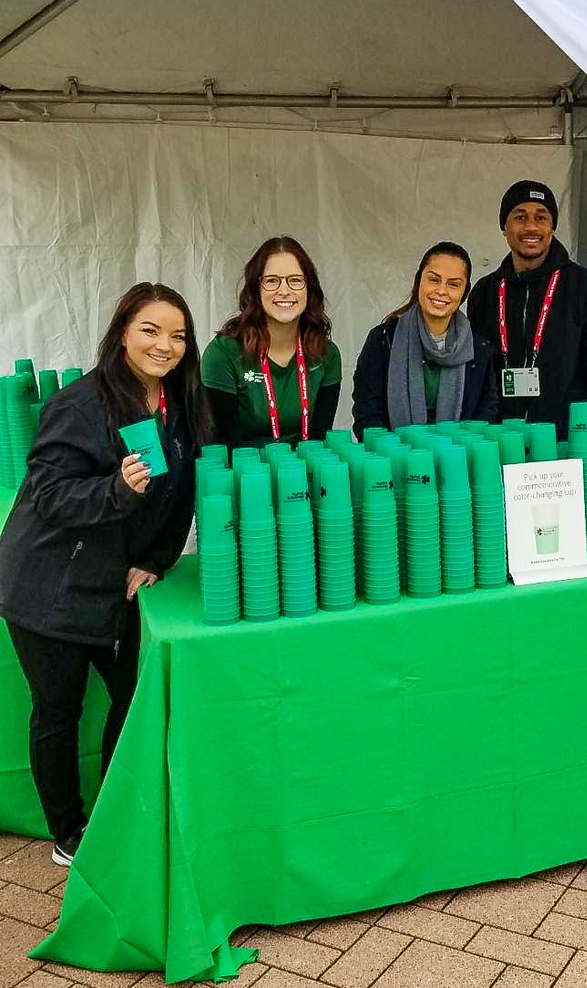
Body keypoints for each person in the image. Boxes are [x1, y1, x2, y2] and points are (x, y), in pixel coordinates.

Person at [0, 282, 210, 867]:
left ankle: (116, 808)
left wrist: (156, 558)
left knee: (130, 695)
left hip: (116, 580)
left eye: (177, 335)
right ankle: (69, 834)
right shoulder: (79, 405)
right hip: (50, 584)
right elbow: (49, 493)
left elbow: (183, 493)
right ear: (122, 331)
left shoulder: (180, 405)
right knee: (57, 712)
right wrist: (115, 490)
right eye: (150, 330)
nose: (165, 345)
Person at [467, 180, 587, 435]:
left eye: (541, 217)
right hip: (502, 442)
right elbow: (476, 377)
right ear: (504, 227)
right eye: (520, 217)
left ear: (552, 228)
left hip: (570, 442)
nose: (531, 226)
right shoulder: (484, 293)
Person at [201, 236, 341, 449]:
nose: (284, 291)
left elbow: (318, 439)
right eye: (272, 280)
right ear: (255, 289)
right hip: (243, 474)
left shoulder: (326, 354)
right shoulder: (224, 352)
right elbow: (225, 441)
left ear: (309, 288)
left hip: (302, 474)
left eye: (295, 280)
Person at [352, 241, 497, 439]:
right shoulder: (383, 340)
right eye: (434, 280)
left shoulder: (479, 349)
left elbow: (487, 414)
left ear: (464, 292)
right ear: (419, 280)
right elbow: (367, 414)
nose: (442, 291)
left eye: (453, 284)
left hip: (460, 461)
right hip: (395, 461)